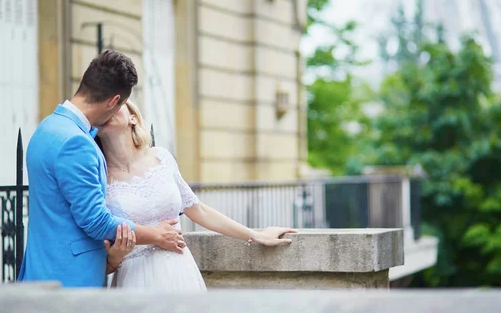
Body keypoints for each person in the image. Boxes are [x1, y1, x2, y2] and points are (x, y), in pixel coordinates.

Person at [18, 51, 185, 287]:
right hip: (71, 281)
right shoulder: (77, 143)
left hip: (40, 271)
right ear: (113, 101)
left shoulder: (46, 128)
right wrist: (156, 235)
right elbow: (96, 221)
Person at [97, 100, 296, 292]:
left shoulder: (161, 157)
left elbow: (198, 210)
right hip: (135, 280)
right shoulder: (97, 177)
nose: (108, 107)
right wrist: (113, 258)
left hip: (180, 270)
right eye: (102, 105)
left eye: (116, 103)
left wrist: (256, 235)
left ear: (133, 117)